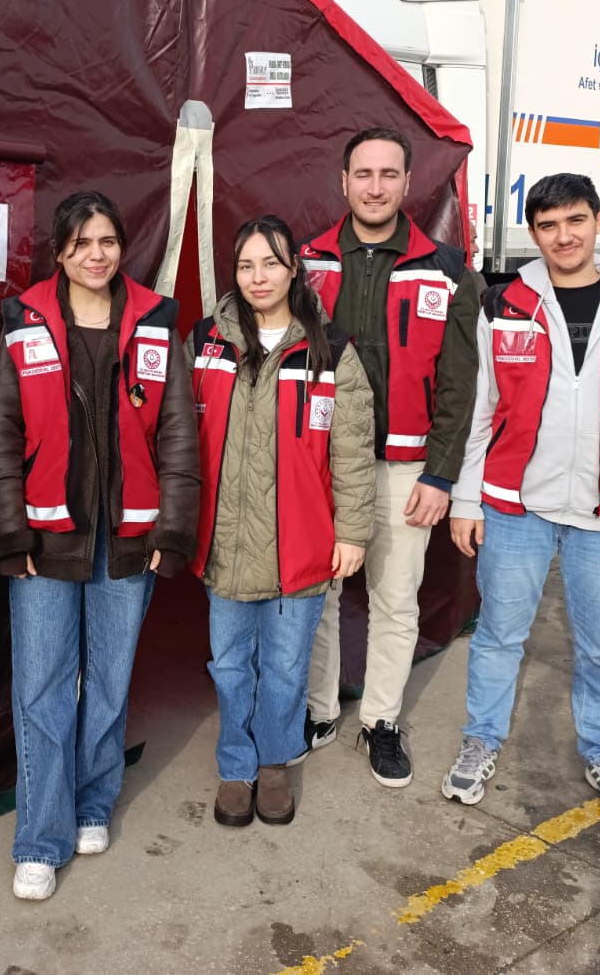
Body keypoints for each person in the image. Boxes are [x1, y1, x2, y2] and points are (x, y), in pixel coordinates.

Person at [443, 173, 600, 824]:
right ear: (533, 233)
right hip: (513, 505)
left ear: (599, 222)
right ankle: (481, 740)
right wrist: (466, 499)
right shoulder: (504, 305)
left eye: (575, 220)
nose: (564, 236)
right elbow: (480, 411)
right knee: (499, 636)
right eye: (548, 225)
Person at [0, 190, 199, 902]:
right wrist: (10, 532)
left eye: (107, 240)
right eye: (81, 243)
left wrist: (172, 527)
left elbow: (178, 432)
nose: (96, 254)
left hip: (129, 536)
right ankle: (39, 841)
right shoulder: (23, 320)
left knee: (109, 682)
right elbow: (2, 433)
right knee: (43, 690)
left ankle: (92, 803)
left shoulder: (156, 319)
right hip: (46, 537)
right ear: (59, 252)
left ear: (122, 246)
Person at [299, 125, 479, 789]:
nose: (375, 187)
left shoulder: (448, 271)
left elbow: (461, 384)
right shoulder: (305, 262)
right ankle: (318, 713)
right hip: (321, 466)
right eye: (363, 174)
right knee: (316, 598)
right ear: (343, 182)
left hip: (406, 471)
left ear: (408, 182)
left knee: (395, 602)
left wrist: (441, 474)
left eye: (388, 174)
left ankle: (380, 721)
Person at [190, 217, 376, 829]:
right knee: (229, 665)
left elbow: (352, 452)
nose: (258, 277)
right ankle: (236, 766)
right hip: (225, 541)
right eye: (246, 265)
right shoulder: (207, 343)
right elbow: (179, 437)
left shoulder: (331, 351)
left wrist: (351, 533)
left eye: (270, 263)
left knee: (288, 666)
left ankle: (274, 762)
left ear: (294, 268)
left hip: (302, 543)